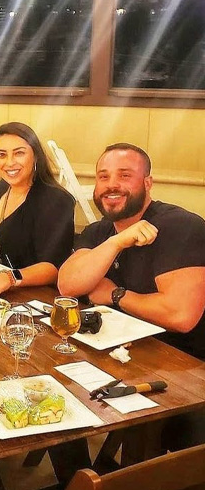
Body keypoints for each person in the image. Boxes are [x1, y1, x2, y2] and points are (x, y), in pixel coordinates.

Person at [58, 143, 205, 361]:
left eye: (125, 175)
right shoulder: (99, 231)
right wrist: (116, 242)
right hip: (114, 352)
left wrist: (116, 295)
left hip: (178, 362)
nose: (111, 185)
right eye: (103, 177)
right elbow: (67, 285)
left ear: (148, 183)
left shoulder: (180, 226)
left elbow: (180, 316)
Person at [0, 122, 75, 298]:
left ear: (35, 155)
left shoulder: (56, 200)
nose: (9, 162)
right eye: (1, 155)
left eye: (19, 153)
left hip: (36, 297)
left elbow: (54, 269)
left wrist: (11, 277)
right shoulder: (1, 188)